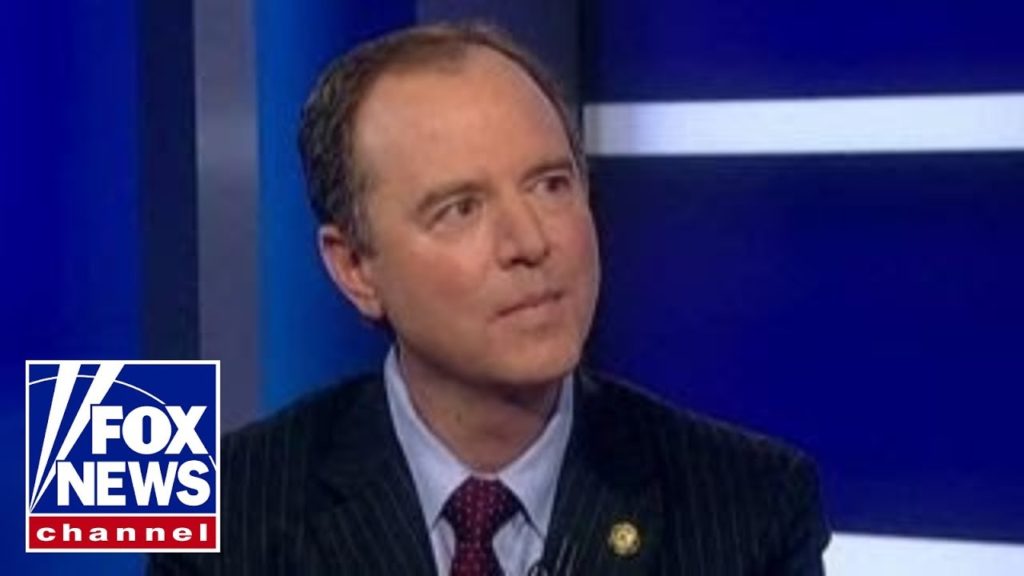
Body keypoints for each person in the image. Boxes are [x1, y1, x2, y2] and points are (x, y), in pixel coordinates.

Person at [150, 22, 830, 576]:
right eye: (460, 209)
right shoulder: (227, 512)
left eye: (551, 185)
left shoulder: (749, 508)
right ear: (355, 267)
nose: (530, 242)